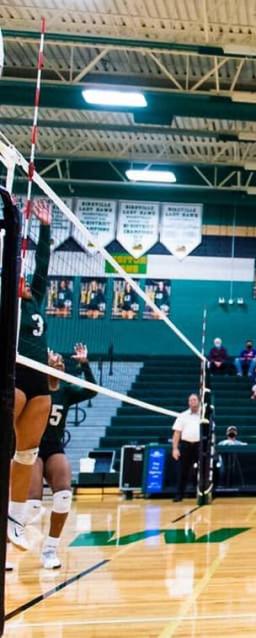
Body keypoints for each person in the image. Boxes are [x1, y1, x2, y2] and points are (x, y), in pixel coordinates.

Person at [25, 344, 96, 569]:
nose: (60, 362)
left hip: (54, 447)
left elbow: (92, 390)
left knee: (64, 495)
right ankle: (6, 547)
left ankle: (49, 549)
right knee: (32, 504)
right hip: (31, 447)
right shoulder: (33, 389)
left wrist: (84, 365)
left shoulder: (66, 390)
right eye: (55, 359)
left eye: (62, 361)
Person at [9, 204, 53, 551]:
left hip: (40, 379)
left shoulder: (36, 297)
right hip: (14, 372)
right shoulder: (8, 302)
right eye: (18, 278)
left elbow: (43, 264)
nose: (25, 282)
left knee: (26, 454)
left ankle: (14, 521)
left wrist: (45, 229)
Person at [171, 394, 202, 503]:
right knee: (182, 471)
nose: (192, 402)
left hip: (199, 445)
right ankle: (179, 494)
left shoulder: (204, 416)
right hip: (185, 445)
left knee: (202, 470)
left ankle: (200, 493)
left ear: (199, 401)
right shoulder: (183, 415)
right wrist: (175, 448)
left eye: (194, 400)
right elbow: (177, 433)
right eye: (190, 400)